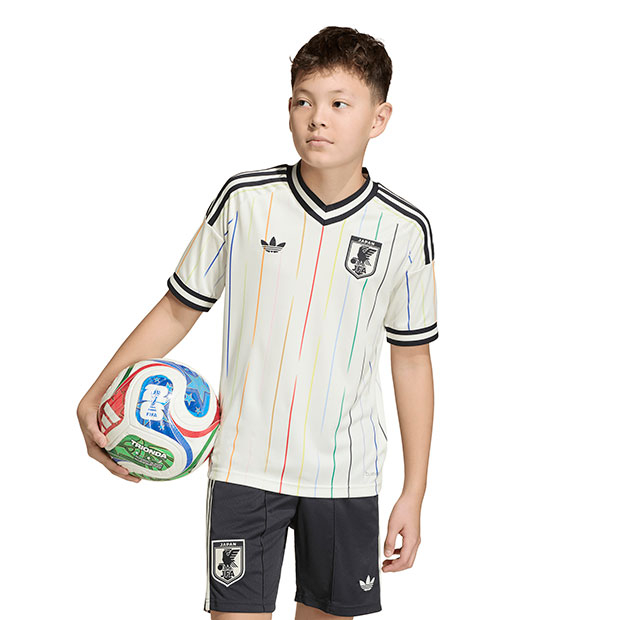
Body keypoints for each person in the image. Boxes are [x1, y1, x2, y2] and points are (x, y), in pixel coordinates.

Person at [77, 25, 438, 620]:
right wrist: (97, 394)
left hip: (345, 478)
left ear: (379, 118)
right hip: (245, 467)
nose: (317, 118)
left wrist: (414, 491)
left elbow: (412, 360)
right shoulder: (245, 199)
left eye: (339, 103)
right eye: (303, 101)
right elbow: (177, 308)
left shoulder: (405, 230)